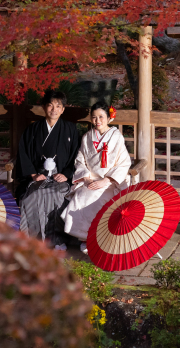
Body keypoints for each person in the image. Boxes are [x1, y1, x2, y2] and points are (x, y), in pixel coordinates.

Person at [61, 102, 131, 253]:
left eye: (101, 117)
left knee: (99, 199)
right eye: (94, 117)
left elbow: (124, 162)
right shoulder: (87, 137)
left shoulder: (116, 137)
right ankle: (85, 238)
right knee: (81, 196)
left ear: (109, 118)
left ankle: (101, 237)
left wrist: (107, 180)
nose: (97, 121)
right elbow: (80, 159)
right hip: (90, 179)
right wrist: (85, 177)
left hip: (110, 182)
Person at [14, 90, 81, 249]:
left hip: (60, 178)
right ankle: (35, 240)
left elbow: (76, 156)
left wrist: (66, 174)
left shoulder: (70, 129)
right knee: (33, 196)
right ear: (44, 107)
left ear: (63, 109)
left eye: (58, 106)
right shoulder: (33, 129)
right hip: (38, 177)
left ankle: (57, 240)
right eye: (50, 105)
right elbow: (23, 153)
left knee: (58, 196)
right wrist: (32, 174)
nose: (54, 109)